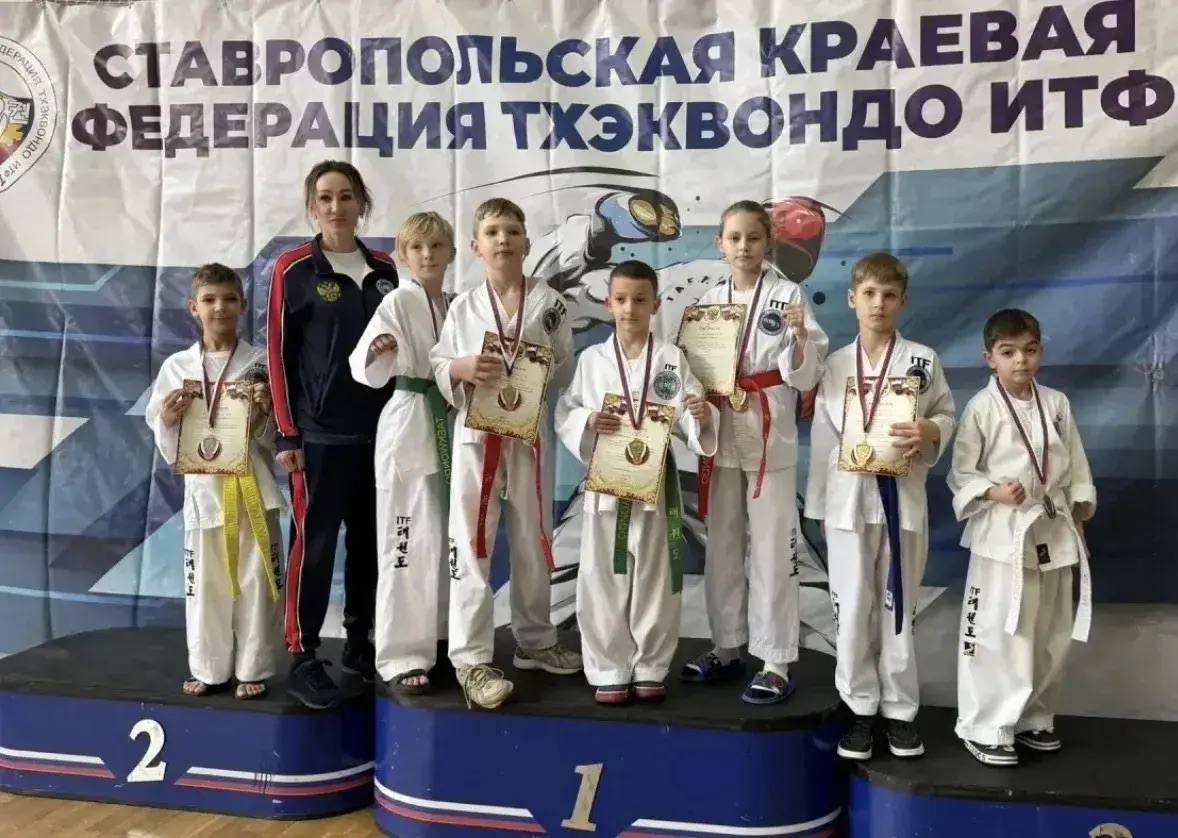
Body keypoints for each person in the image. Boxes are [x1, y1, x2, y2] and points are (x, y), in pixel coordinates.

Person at [429, 198, 581, 710]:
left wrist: (540, 367)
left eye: (512, 231)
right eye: (492, 232)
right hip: (478, 438)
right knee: (472, 543)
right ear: (476, 246)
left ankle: (535, 640)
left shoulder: (550, 303)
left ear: (527, 243)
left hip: (529, 435)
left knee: (533, 540)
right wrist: (461, 368)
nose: (503, 239)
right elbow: (441, 363)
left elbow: (565, 366)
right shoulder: (463, 307)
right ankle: (471, 660)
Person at [805, 253, 956, 760]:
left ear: (903, 302)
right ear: (852, 299)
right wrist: (821, 506)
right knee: (851, 609)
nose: (878, 304)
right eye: (869, 294)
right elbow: (823, 438)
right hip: (847, 504)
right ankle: (858, 708)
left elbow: (945, 415)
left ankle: (900, 711)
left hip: (902, 502)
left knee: (898, 609)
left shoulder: (923, 361)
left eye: (889, 295)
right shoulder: (835, 365)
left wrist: (931, 429)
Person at [681, 200, 829, 705]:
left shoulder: (788, 296)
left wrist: (800, 337)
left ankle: (775, 660)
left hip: (769, 434)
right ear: (720, 244)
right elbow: (694, 368)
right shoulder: (707, 301)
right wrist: (696, 405)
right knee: (721, 544)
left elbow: (806, 376)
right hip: (721, 428)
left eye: (753, 237)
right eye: (734, 237)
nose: (743, 246)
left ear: (769, 243)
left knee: (771, 549)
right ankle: (726, 646)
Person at [266, 160, 398, 709]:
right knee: (314, 547)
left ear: (361, 203)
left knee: (370, 545)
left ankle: (361, 643)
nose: (336, 206)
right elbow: (277, 355)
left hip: (380, 437)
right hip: (318, 439)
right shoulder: (294, 269)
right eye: (325, 197)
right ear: (312, 207)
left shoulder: (387, 269)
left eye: (346, 196)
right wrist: (287, 435)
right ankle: (302, 654)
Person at [557, 260, 717, 704]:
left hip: (654, 484)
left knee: (655, 577)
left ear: (656, 305)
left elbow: (689, 412)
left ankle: (650, 664)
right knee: (601, 577)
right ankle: (609, 665)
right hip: (606, 484)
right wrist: (588, 420)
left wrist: (700, 416)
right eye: (621, 299)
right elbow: (566, 411)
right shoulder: (592, 361)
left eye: (640, 300)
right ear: (609, 304)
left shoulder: (670, 359)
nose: (630, 309)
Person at [948, 309, 1096, 766]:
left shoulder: (1057, 403)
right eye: (1008, 352)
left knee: (1051, 632)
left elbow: (1076, 464)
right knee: (997, 633)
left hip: (1054, 528)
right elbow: (961, 473)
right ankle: (985, 724)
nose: (1021, 361)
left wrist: (1079, 511)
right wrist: (993, 491)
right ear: (989, 358)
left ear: (1040, 353)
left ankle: (1034, 717)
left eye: (1030, 351)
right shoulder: (981, 407)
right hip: (1003, 532)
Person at [146, 263, 284, 700]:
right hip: (204, 493)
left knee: (256, 582)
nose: (219, 308)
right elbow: (162, 430)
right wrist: (168, 418)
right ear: (193, 308)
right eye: (209, 300)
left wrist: (267, 411)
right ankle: (209, 668)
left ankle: (253, 668)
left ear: (242, 306)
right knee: (204, 586)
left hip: (253, 488)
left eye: (228, 299)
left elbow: (276, 436)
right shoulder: (177, 367)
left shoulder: (261, 364)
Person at [348, 211, 455, 693]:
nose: (427, 255)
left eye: (436, 246)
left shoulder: (456, 305)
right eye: (417, 248)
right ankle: (401, 654)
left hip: (448, 421)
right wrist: (379, 348)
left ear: (451, 252)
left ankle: (442, 638)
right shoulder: (397, 300)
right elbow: (363, 362)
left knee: (446, 539)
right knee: (405, 540)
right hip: (410, 419)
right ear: (402, 256)